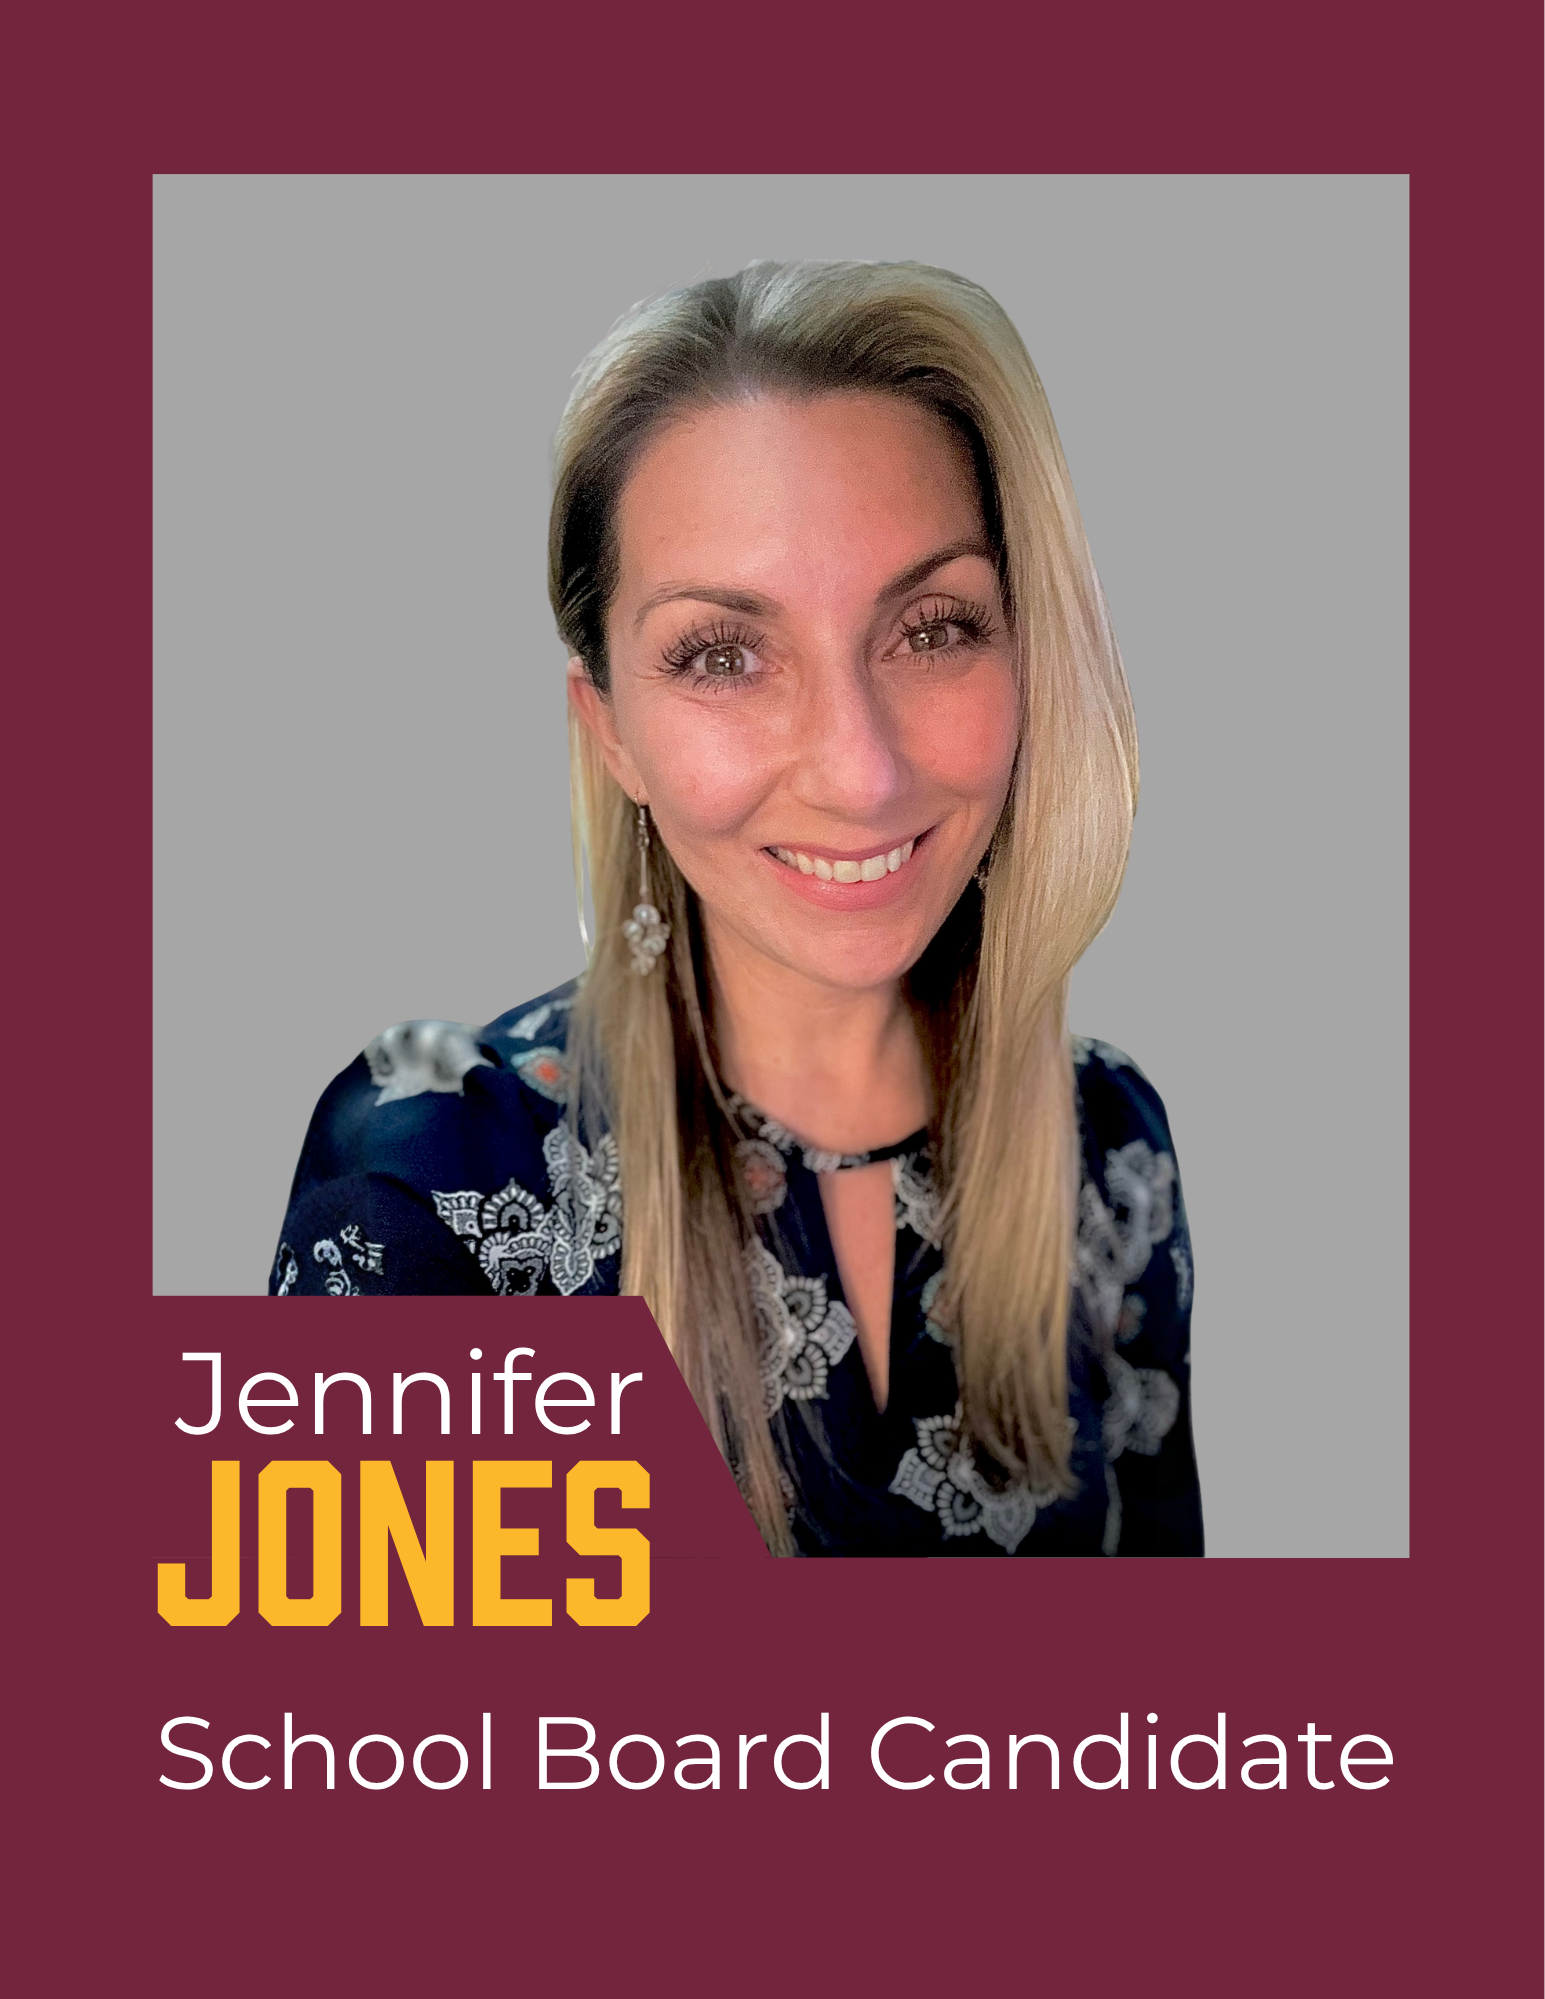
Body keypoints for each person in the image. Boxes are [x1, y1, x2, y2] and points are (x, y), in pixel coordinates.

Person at [271, 260, 1202, 1559]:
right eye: (723, 655)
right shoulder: (432, 1171)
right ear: (611, 731)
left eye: (933, 628)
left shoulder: (1109, 1144)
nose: (862, 773)